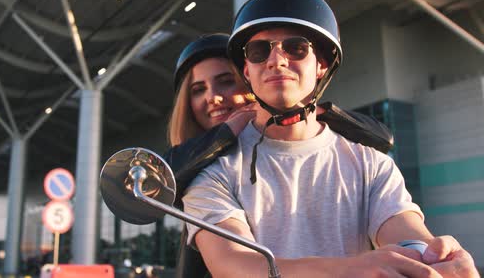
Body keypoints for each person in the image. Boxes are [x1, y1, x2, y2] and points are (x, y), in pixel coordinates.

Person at [181, 0, 478, 277]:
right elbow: (235, 263)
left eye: (296, 48)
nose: (276, 60)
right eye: (259, 51)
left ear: (321, 65)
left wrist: (433, 257)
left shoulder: (370, 164)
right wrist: (351, 269)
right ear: (247, 71)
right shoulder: (213, 172)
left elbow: (404, 229)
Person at [165, 34, 395, 277]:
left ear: (248, 78)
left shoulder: (364, 161)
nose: (213, 97)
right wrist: (229, 130)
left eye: (225, 81)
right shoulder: (203, 172)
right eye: (198, 89)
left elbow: (382, 138)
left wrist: (309, 109)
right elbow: (167, 176)